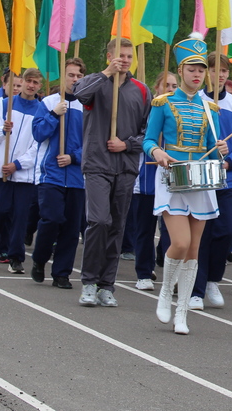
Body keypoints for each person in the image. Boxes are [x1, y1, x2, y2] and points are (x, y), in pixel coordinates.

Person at [145, 36, 225, 334]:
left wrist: (219, 149)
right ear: (181, 71)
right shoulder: (163, 103)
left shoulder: (210, 109)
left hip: (200, 181)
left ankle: (182, 312)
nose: (197, 74)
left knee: (193, 249)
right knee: (178, 243)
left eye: (201, 69)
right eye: (191, 68)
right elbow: (149, 139)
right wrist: (156, 151)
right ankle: (166, 292)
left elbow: (211, 150)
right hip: (172, 177)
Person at [73, 37, 151, 308]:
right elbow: (78, 94)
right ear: (108, 56)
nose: (125, 61)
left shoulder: (141, 90)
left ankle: (107, 285)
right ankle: (89, 283)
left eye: (129, 56)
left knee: (117, 226)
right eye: (120, 56)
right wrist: (107, 74)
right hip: (97, 164)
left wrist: (127, 144)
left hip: (126, 167)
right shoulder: (96, 82)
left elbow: (149, 134)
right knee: (99, 221)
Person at [188, 51, 232, 311]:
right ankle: (196, 288)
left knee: (227, 230)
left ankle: (213, 280)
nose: (220, 74)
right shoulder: (194, 100)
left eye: (224, 70)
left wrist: (230, 160)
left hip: (227, 180)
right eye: (214, 69)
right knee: (200, 236)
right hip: (200, 180)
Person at [30, 58, 86, 288]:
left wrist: (74, 157)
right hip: (51, 173)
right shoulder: (48, 102)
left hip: (76, 176)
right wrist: (54, 114)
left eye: (78, 76)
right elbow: (38, 133)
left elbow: (94, 142)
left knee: (72, 228)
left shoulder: (88, 105)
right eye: (70, 75)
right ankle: (40, 259)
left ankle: (61, 272)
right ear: (62, 77)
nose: (74, 80)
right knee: (51, 219)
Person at [0, 69, 42, 273]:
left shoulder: (41, 110)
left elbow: (39, 145)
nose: (31, 85)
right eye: (28, 81)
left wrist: (18, 164)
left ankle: (16, 257)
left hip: (24, 173)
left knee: (20, 215)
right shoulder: (4, 104)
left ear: (39, 86)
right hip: (1, 169)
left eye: (35, 82)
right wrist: (2, 130)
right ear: (22, 82)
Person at [129, 71, 177, 291]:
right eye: (166, 84)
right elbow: (136, 139)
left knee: (170, 230)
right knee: (145, 229)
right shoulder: (146, 112)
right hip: (147, 179)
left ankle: (171, 274)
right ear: (156, 88)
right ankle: (144, 272)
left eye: (174, 85)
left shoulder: (180, 114)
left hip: (172, 179)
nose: (170, 89)